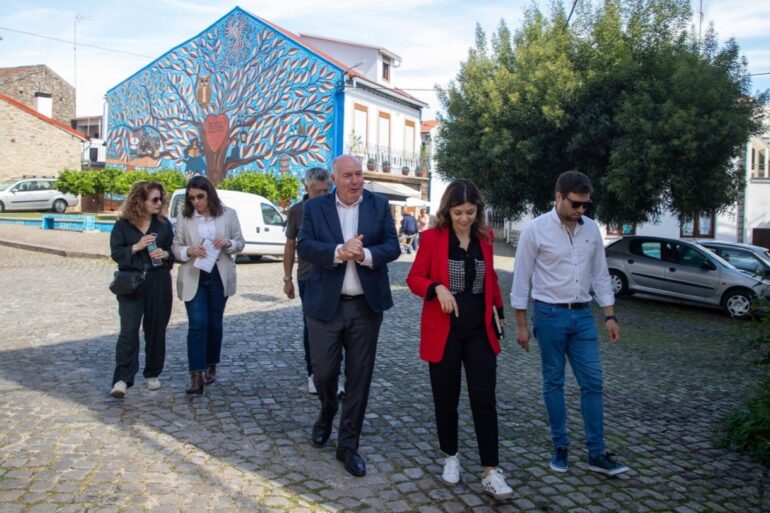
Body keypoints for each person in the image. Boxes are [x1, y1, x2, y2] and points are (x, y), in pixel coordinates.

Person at [510, 170, 629, 477]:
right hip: (549, 315)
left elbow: (601, 275)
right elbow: (521, 280)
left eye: (586, 205)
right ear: (559, 197)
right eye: (575, 204)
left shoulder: (591, 230)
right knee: (554, 383)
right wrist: (521, 325)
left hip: (584, 316)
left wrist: (610, 315)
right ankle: (560, 445)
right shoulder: (535, 230)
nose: (581, 211)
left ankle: (596, 453)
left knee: (593, 383)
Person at [406, 179, 514, 500]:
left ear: (478, 211)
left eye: (470, 212)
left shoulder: (486, 238)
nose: (464, 218)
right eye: (458, 212)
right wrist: (435, 288)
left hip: (479, 332)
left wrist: (500, 311)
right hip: (445, 333)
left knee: (484, 399)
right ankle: (450, 456)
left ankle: (491, 470)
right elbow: (414, 278)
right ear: (447, 210)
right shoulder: (432, 239)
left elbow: (491, 278)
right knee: (446, 399)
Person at [296, 154, 400, 477]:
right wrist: (339, 252)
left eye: (359, 175)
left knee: (359, 377)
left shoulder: (378, 206)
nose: (355, 181)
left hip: (365, 307)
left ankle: (348, 445)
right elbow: (305, 246)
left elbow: (393, 247)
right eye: (348, 176)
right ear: (335, 178)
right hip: (325, 305)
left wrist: (365, 254)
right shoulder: (315, 208)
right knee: (324, 372)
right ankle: (327, 410)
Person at [172, 176, 245, 395]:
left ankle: (211, 363)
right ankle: (196, 375)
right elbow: (175, 247)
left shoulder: (228, 214)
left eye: (200, 197)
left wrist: (228, 243)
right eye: (192, 198)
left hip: (218, 273)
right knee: (197, 324)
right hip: (194, 273)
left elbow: (240, 242)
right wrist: (189, 251)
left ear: (209, 194)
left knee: (214, 323)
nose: (196, 202)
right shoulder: (185, 218)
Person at [109, 181, 173, 398]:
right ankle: (122, 379)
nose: (159, 203)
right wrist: (137, 247)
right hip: (131, 282)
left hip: (158, 281)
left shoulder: (164, 225)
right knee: (128, 330)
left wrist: (165, 255)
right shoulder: (123, 226)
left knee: (156, 330)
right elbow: (116, 254)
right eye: (154, 199)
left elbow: (172, 253)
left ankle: (152, 373)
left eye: (160, 199)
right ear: (140, 201)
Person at [282, 167, 332, 394]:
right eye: (317, 191)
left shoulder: (336, 207)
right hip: (307, 277)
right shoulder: (296, 212)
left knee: (335, 326)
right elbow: (290, 245)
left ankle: (332, 375)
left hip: (333, 274)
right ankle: (313, 373)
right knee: (311, 326)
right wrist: (287, 278)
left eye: (326, 190)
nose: (323, 195)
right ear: (306, 189)